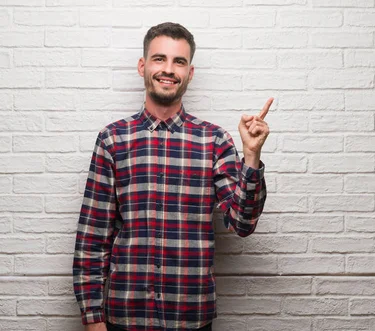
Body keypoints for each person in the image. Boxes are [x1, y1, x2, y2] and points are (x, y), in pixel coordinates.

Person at [72, 22, 271, 331]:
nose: (168, 69)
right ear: (143, 66)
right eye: (159, 58)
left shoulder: (214, 141)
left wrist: (251, 156)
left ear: (189, 73)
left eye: (179, 61)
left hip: (190, 317)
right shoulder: (112, 140)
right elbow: (93, 236)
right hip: (125, 317)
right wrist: (92, 318)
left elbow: (242, 223)